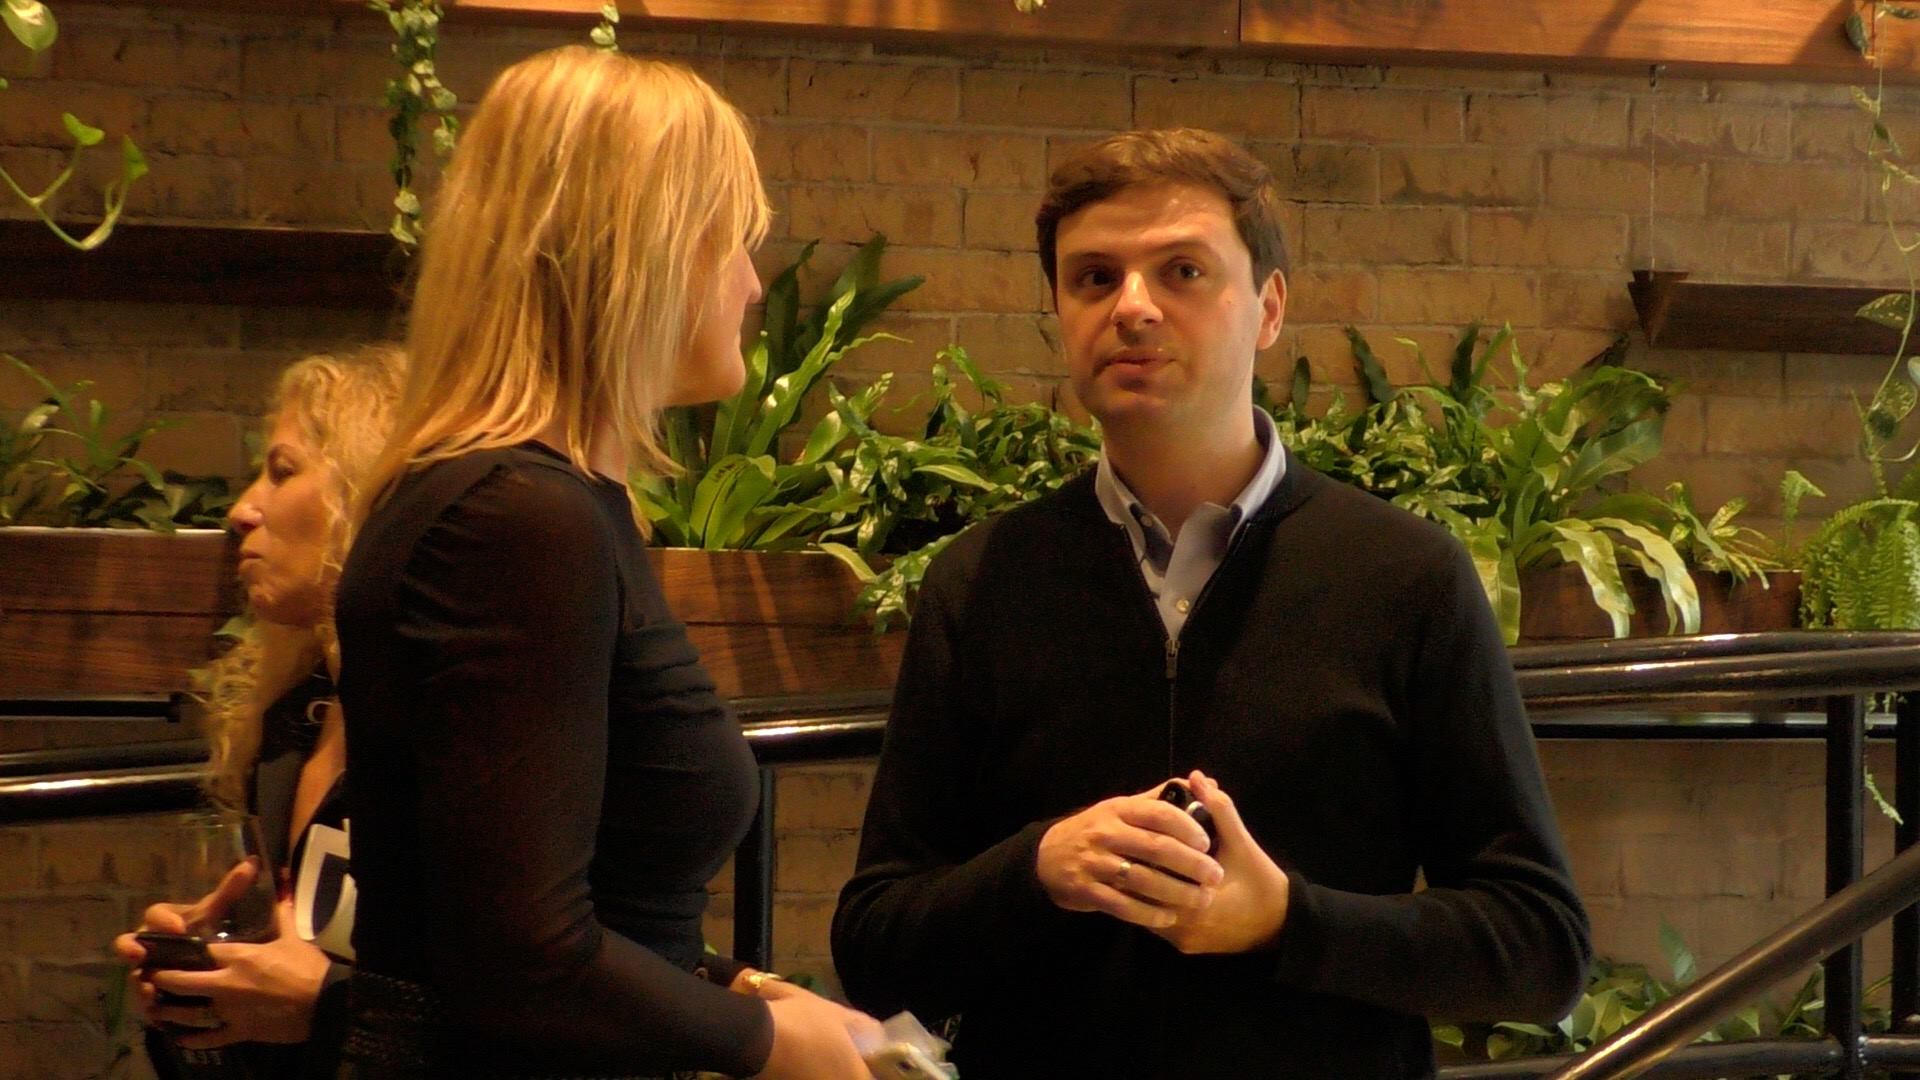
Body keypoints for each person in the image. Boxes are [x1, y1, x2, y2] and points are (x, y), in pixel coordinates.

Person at [831, 128, 1593, 1077]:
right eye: (1094, 278)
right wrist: (1038, 870)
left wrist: (1287, 921)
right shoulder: (980, 580)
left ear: (1269, 309)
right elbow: (875, 946)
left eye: (1183, 272)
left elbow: (1539, 946)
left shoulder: (1408, 578)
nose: (1132, 307)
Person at [331, 46, 879, 1079]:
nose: (750, 285)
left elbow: (547, 894)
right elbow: (517, 954)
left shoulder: (534, 503)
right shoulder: (516, 519)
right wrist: (766, 1045)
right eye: (729, 242)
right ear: (636, 254)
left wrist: (735, 988)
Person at [113, 344, 407, 1080]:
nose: (242, 510)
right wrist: (207, 989)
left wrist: (329, 1006)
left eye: (281, 471)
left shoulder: (457, 725)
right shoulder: (293, 720)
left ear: (369, 493)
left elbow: (531, 1011)